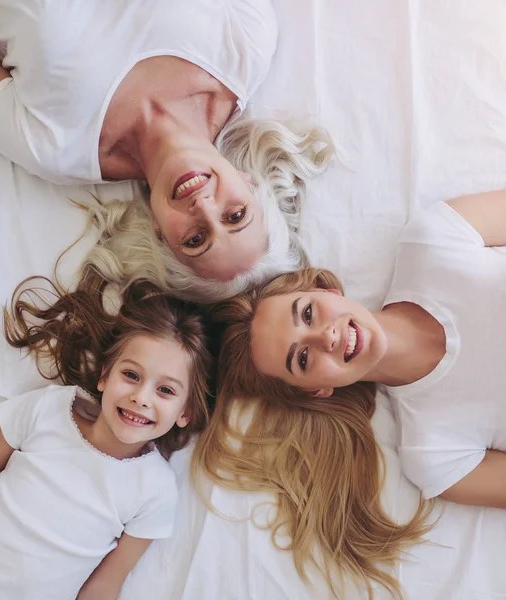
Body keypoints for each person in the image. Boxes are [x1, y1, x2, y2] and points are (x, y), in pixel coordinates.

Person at [195, 188, 506, 597]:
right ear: (318, 390)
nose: (325, 335)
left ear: (328, 292)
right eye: (302, 359)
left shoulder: (434, 241)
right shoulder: (434, 455)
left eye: (307, 313)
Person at [0, 1, 332, 296]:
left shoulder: (55, 149)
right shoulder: (248, 41)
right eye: (235, 214)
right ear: (251, 184)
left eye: (195, 240)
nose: (205, 208)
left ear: (160, 235)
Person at [0, 281, 212, 600]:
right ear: (105, 376)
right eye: (131, 376)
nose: (141, 397)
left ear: (185, 412)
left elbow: (103, 586)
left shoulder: (155, 490)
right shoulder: (47, 409)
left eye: (165, 391)